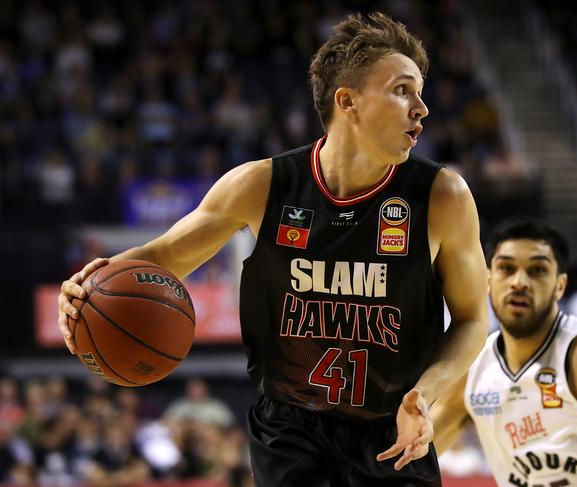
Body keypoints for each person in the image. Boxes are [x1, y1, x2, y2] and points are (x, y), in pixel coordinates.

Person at [57, 12, 488, 486]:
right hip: (290, 431)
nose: (422, 108)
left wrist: (425, 396)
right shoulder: (261, 185)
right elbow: (162, 258)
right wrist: (84, 290)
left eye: (421, 93)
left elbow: (471, 318)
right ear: (348, 101)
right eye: (403, 90)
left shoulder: (442, 196)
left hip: (393, 429)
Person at [431, 219, 577, 486]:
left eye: (537, 270)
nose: (519, 282)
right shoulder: (473, 369)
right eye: (506, 269)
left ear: (560, 285)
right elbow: (413, 459)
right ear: (487, 280)